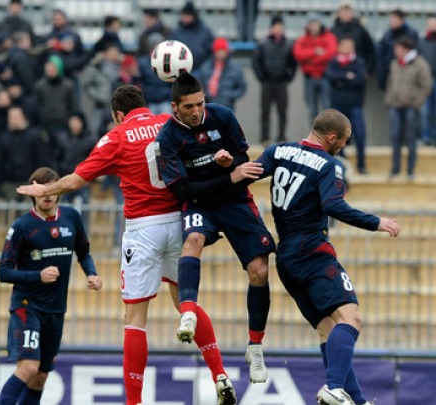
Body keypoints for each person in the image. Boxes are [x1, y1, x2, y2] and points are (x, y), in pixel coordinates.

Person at [18, 84, 239, 405]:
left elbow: (77, 180)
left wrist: (43, 190)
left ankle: (134, 402)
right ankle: (219, 373)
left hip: (143, 229)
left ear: (118, 115)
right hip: (179, 222)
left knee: (135, 319)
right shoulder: (168, 121)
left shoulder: (117, 137)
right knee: (185, 303)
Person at [254, 108, 399, 405]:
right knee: (352, 317)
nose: (342, 147)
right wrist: (376, 222)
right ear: (331, 138)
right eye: (343, 142)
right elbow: (334, 205)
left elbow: (247, 174)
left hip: (286, 259)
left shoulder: (277, 151)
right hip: (312, 252)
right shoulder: (328, 164)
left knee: (328, 329)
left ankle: (356, 400)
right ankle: (334, 388)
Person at [156, 72, 275, 384]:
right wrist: (230, 175)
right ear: (174, 107)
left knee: (260, 271)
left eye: (200, 103)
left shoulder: (223, 115)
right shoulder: (167, 138)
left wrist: (229, 162)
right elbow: (181, 190)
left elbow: (242, 156)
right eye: (189, 106)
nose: (197, 111)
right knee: (192, 238)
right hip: (200, 203)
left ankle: (255, 347)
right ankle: (189, 312)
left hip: (236, 201)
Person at [0, 167, 102, 405]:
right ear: (32, 193)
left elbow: (83, 252)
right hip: (28, 306)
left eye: (50, 188)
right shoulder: (22, 227)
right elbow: (3, 272)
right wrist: (38, 276)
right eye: (40, 189)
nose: (46, 194)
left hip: (55, 308)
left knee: (41, 376)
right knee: (28, 368)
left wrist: (92, 273)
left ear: (58, 190)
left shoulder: (71, 217)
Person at [384, 36, 432, 180]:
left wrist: (416, 102)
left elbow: (426, 85)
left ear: (406, 49)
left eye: (398, 49)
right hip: (395, 105)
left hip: (411, 107)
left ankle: (410, 170)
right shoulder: (394, 63)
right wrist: (389, 100)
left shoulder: (419, 63)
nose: (395, 51)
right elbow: (390, 83)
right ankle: (395, 168)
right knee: (395, 137)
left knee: (410, 138)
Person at [252, 15, 297, 145]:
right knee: (265, 111)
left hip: (281, 83)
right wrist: (262, 77)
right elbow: (256, 62)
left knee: (282, 111)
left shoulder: (288, 45)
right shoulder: (263, 44)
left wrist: (288, 78)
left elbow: (293, 64)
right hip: (267, 83)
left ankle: (282, 136)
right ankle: (265, 137)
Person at [326, 38, 368, 174]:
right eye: (344, 45)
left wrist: (341, 81)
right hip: (338, 105)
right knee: (337, 136)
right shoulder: (334, 62)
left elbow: (360, 79)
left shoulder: (359, 62)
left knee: (360, 134)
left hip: (355, 104)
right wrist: (347, 76)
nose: (347, 48)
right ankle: (340, 163)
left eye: (350, 45)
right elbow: (330, 76)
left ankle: (361, 164)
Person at [293, 14, 338, 125]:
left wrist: (311, 60)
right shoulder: (303, 39)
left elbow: (331, 53)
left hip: (324, 76)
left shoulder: (329, 37)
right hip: (309, 78)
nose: (313, 26)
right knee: (312, 110)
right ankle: (314, 138)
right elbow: (298, 54)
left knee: (327, 110)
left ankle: (327, 137)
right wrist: (314, 51)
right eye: (310, 23)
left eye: (315, 23)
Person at [417, 15, 436, 146]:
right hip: (425, 83)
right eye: (431, 24)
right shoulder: (421, 42)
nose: (433, 27)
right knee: (425, 112)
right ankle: (426, 137)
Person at [195, 38, 247, 110]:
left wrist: (229, 95)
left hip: (227, 107)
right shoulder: (205, 67)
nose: (220, 54)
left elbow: (242, 87)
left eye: (223, 51)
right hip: (208, 106)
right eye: (218, 51)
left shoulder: (235, 69)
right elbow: (199, 85)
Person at [376, 9, 418, 91]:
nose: (391, 22)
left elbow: (416, 54)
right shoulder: (387, 35)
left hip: (408, 75)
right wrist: (381, 78)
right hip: (390, 74)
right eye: (391, 20)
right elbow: (381, 56)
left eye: (394, 19)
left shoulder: (411, 34)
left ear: (401, 20)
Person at [331, 3, 376, 78]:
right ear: (338, 13)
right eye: (343, 10)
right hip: (338, 71)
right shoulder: (333, 31)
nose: (346, 13)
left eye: (348, 10)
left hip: (358, 69)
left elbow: (370, 50)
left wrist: (369, 70)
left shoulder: (361, 30)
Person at [169, 2, 215, 69]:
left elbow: (211, 50)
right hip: (180, 69)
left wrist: (205, 68)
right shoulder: (175, 32)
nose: (185, 18)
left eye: (188, 15)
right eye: (184, 15)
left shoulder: (205, 31)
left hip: (201, 69)